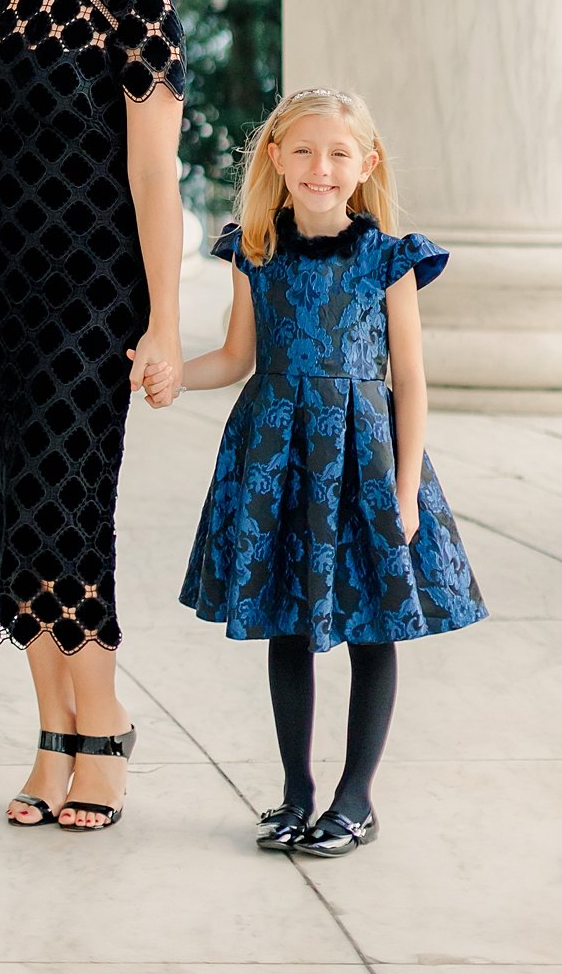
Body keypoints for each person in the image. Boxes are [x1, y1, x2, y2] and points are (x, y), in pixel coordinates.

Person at [177, 88, 486, 857]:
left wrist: (406, 488)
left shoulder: (389, 257)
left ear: (365, 164)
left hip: (363, 454)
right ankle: (295, 793)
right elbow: (236, 356)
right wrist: (167, 373)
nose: (321, 168)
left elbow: (409, 378)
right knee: (288, 614)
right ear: (275, 157)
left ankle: (354, 799)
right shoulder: (254, 248)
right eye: (305, 151)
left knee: (370, 623)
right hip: (277, 452)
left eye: (339, 153)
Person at [0, 0, 185, 833]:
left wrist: (166, 323)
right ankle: (52, 736)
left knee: (69, 514)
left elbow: (153, 178)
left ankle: (103, 726)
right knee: (15, 521)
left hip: (92, 303)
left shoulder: (137, 8)